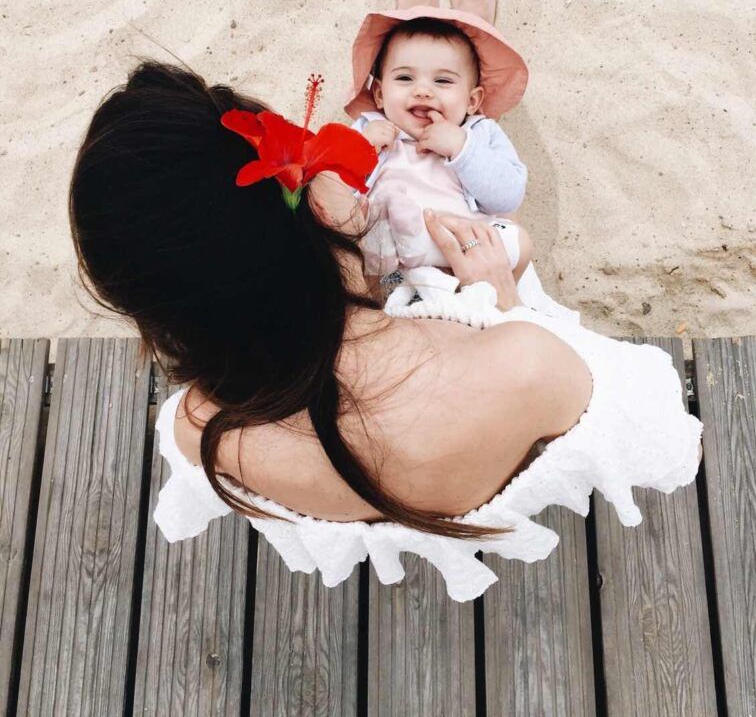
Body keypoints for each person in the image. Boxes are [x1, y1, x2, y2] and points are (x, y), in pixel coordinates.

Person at [68, 52, 702, 603]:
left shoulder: (200, 429)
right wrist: (505, 302)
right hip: (484, 431)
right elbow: (659, 434)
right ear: (313, 206)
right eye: (306, 154)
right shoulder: (522, 360)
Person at [345, 0, 534, 288]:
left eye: (442, 81)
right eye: (404, 78)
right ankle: (429, 25)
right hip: (391, 265)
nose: (422, 91)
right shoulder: (371, 127)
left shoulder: (478, 132)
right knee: (364, 239)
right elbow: (336, 192)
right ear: (379, 93)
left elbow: (506, 197)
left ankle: (451, 26)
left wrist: (463, 148)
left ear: (474, 102)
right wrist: (362, 150)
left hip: (463, 251)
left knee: (520, 241)